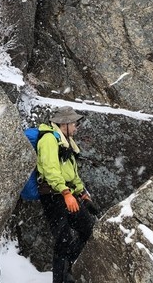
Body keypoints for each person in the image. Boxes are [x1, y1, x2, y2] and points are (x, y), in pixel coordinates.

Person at [36, 106, 97, 283]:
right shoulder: (49, 139)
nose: (76, 127)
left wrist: (82, 193)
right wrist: (65, 193)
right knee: (63, 239)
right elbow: (50, 169)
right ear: (65, 124)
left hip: (67, 194)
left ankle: (68, 270)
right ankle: (60, 279)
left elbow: (72, 173)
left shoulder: (66, 142)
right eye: (74, 124)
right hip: (53, 196)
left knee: (87, 230)